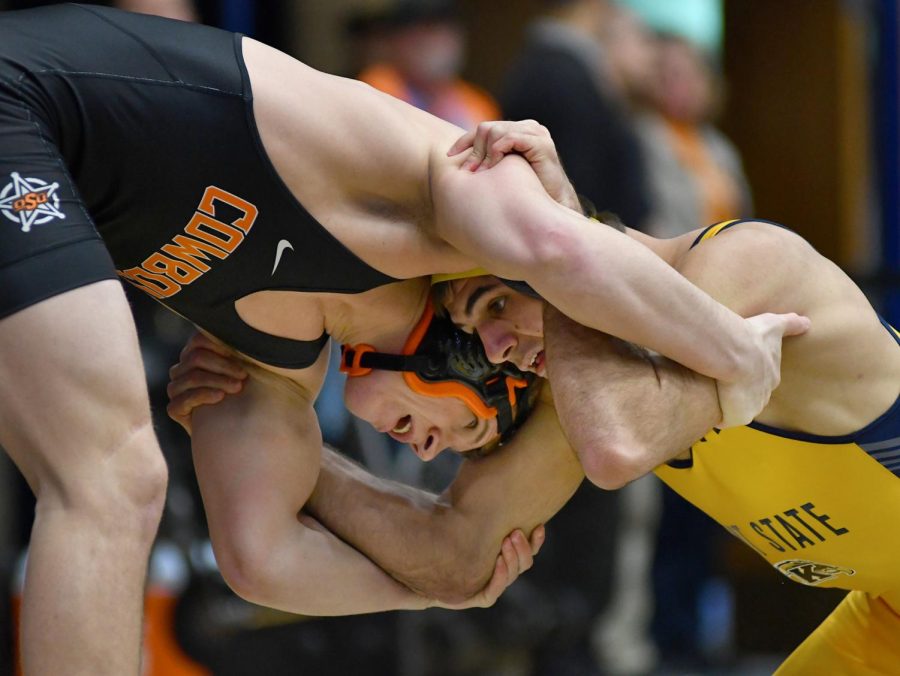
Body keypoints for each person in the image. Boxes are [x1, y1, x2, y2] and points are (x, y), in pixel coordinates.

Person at [0, 5, 801, 672]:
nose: (425, 453)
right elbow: (566, 251)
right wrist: (738, 355)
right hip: (21, 102)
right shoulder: (449, 191)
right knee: (111, 480)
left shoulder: (264, 360)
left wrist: (438, 584)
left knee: (113, 484)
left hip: (42, 149)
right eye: (464, 432)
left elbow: (260, 560)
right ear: (488, 354)